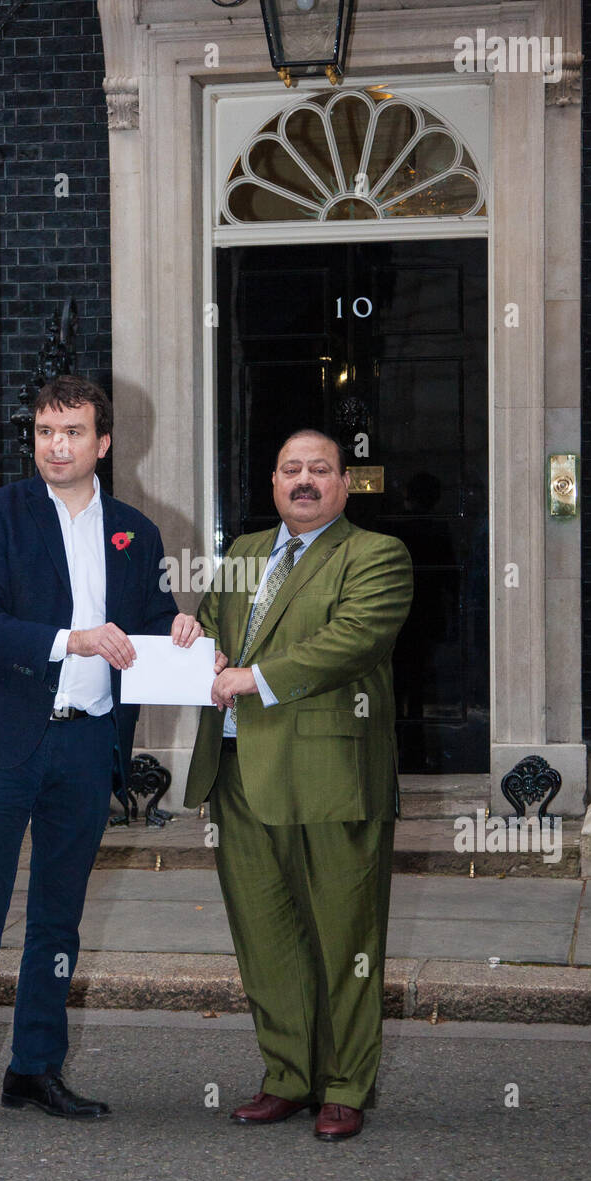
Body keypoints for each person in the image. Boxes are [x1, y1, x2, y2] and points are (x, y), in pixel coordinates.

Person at [0, 374, 201, 1135]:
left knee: (57, 923)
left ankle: (35, 1069)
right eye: (46, 432)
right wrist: (66, 640)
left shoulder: (137, 532)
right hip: (0, 746)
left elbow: (145, 627)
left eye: (72, 432)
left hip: (85, 745)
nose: (56, 445)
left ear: (102, 444)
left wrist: (177, 628)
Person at [184, 429, 413, 1141]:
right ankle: (287, 1075)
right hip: (236, 774)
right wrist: (194, 637)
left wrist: (255, 677)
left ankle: (345, 1085)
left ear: (346, 483)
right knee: (267, 938)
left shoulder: (377, 556)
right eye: (291, 470)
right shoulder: (244, 553)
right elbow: (213, 628)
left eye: (320, 470)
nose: (304, 481)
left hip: (330, 777)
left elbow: (351, 641)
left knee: (346, 936)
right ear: (274, 482)